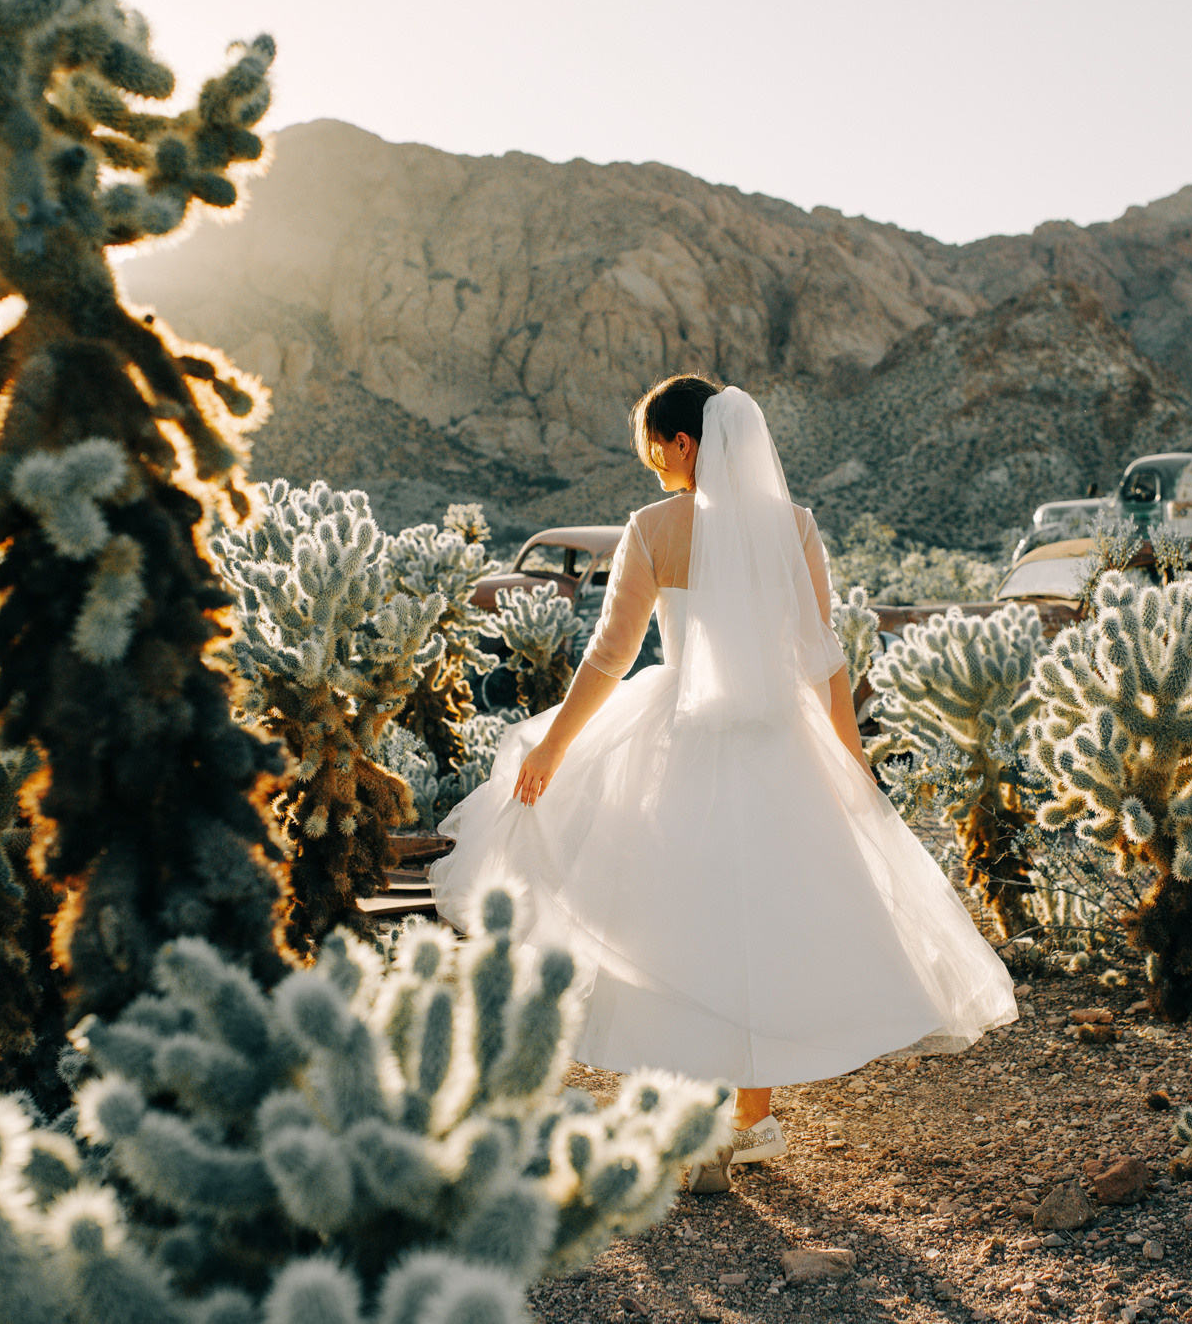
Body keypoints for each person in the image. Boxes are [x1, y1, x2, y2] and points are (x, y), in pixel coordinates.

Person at [431, 375, 1017, 1192]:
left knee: (684, 919)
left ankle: (700, 1117)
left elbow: (609, 656)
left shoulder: (652, 529)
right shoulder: (797, 528)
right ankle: (751, 1118)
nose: (650, 464)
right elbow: (826, 661)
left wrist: (553, 747)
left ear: (683, 443)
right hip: (779, 739)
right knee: (761, 923)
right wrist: (850, 769)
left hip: (681, 736)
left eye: (652, 447)